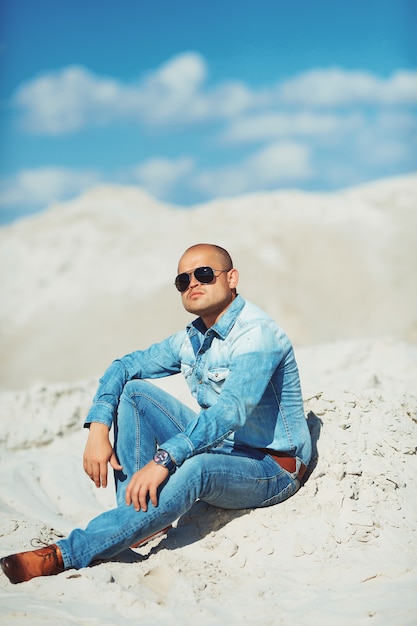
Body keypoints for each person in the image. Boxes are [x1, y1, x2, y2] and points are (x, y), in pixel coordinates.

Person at [1, 243, 312, 584]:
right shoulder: (190, 340)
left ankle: (66, 553)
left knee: (197, 467)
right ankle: (141, 518)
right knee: (133, 393)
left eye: (205, 274)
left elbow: (230, 413)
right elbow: (124, 366)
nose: (194, 283)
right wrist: (98, 427)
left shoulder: (257, 334)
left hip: (272, 467)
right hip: (224, 447)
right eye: (183, 279)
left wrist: (163, 459)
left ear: (232, 278)